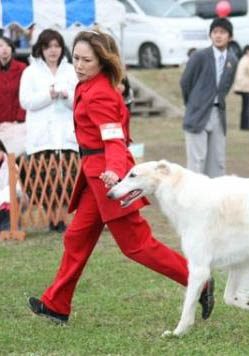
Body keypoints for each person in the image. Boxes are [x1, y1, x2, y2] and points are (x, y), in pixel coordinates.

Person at [28, 30, 214, 324]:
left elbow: (114, 138)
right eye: (75, 58)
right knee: (76, 237)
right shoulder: (87, 85)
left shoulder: (100, 92)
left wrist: (115, 171)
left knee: (136, 245)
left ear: (101, 61)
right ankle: (56, 304)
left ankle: (199, 281)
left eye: (86, 60)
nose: (79, 65)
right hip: (95, 177)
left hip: (107, 179)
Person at [19, 29, 79, 233]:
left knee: (70, 176)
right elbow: (25, 101)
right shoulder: (30, 72)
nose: (53, 51)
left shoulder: (71, 70)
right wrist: (49, 95)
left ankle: (64, 218)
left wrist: (66, 95)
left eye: (57, 46)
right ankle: (53, 219)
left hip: (67, 133)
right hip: (41, 134)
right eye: (48, 46)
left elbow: (80, 100)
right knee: (44, 178)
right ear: (41, 49)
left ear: (62, 48)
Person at [180, 17, 238, 178]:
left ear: (230, 37)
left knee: (217, 162)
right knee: (196, 162)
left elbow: (226, 87)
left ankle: (215, 201)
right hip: (197, 113)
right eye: (215, 32)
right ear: (210, 35)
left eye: (223, 32)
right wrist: (192, 104)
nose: (218, 36)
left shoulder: (232, 60)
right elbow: (185, 82)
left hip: (218, 114)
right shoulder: (200, 56)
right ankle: (192, 201)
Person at [0, 36, 26, 124]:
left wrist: (19, 119)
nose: (4, 49)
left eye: (8, 46)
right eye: (1, 46)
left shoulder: (22, 68)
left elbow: (24, 96)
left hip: (15, 121)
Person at [232, 44, 249, 130]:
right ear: (248, 51)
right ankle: (247, 125)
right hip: (246, 87)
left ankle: (244, 125)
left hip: (241, 86)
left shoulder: (243, 59)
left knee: (246, 106)